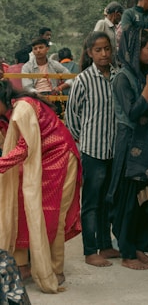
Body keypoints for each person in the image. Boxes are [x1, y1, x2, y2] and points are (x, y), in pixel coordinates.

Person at [0, 80, 81, 293]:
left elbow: (24, 146)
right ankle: (21, 266)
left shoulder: (23, 107)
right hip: (35, 161)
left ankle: (54, 269)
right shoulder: (4, 113)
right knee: (18, 204)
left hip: (59, 156)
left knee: (52, 215)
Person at [106, 28, 148, 270]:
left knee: (143, 199)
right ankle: (127, 252)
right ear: (134, 50)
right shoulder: (122, 78)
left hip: (145, 144)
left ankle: (139, 247)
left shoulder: (142, 75)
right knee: (128, 199)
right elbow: (132, 112)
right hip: (129, 145)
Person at [65, 31, 119, 268]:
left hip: (114, 150)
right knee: (91, 202)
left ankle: (106, 245)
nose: (104, 54)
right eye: (98, 50)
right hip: (92, 151)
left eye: (107, 48)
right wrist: (84, 142)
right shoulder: (83, 80)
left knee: (109, 200)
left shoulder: (118, 76)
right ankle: (90, 249)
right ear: (89, 53)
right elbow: (72, 117)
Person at [94, 1, 124, 66]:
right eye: (120, 15)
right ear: (116, 14)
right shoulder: (102, 23)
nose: (120, 19)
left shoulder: (113, 28)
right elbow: (94, 42)